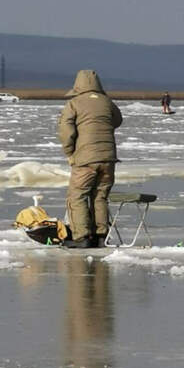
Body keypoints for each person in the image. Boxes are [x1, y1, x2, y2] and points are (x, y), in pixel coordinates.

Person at [57, 70, 122, 248]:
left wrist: (70, 153)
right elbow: (117, 120)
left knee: (77, 196)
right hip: (108, 159)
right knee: (100, 196)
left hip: (85, 159)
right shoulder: (107, 102)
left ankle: (82, 237)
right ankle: (101, 236)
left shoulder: (74, 103)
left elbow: (66, 131)